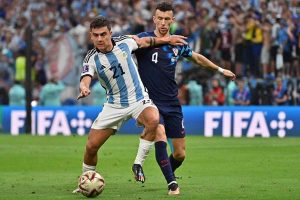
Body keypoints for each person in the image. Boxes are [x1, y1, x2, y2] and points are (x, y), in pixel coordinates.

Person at [73, 16, 187, 193]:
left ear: (110, 33)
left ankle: (137, 163)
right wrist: (84, 87)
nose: (100, 39)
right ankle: (85, 181)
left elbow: (146, 42)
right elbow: (86, 77)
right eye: (96, 35)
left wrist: (167, 39)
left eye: (103, 34)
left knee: (153, 118)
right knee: (91, 147)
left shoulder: (125, 42)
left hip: (138, 100)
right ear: (91, 36)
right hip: (114, 105)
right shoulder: (91, 57)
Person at [132, 2, 236, 195]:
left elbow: (196, 58)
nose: (163, 23)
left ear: (172, 20)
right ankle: (172, 184)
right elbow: (129, 42)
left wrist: (220, 69)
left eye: (167, 19)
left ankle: (167, 171)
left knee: (180, 154)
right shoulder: (144, 40)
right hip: (149, 103)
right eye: (159, 19)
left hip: (172, 103)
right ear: (154, 19)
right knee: (160, 133)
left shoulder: (177, 43)